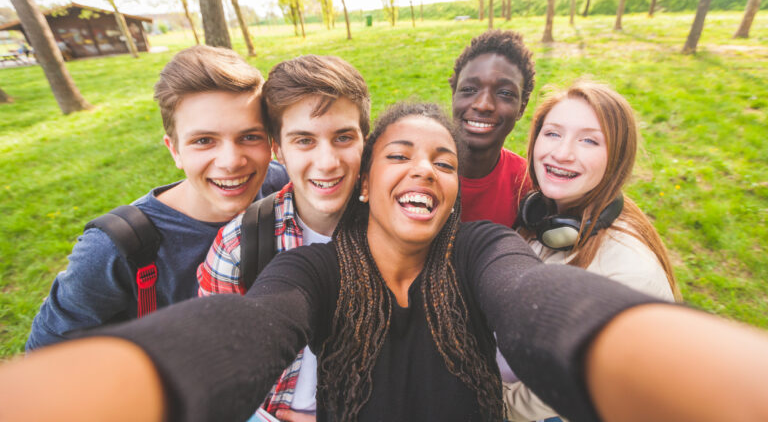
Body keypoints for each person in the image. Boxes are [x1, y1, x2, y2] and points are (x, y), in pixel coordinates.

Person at [4, 103, 768, 422]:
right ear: (366, 182)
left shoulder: (479, 250)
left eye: (441, 161)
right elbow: (243, 329)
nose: (423, 171)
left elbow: (545, 304)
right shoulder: (314, 272)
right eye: (399, 154)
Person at [25, 45, 288, 351]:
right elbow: (46, 354)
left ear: (270, 143)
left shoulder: (280, 185)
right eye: (204, 141)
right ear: (174, 150)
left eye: (249, 137)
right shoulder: (114, 249)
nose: (231, 161)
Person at [197, 55, 369, 421]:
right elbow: (213, 381)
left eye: (343, 137)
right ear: (278, 149)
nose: (327, 162)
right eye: (304, 140)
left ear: (364, 140)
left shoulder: (397, 232)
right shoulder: (239, 247)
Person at [502, 82, 681, 421]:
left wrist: (473, 392)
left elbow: (543, 404)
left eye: (589, 140)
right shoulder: (543, 220)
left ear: (616, 159)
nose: (562, 153)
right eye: (553, 134)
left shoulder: (629, 275)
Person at [449, 30, 535, 226]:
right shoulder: (418, 169)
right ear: (454, 95)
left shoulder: (525, 183)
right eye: (469, 89)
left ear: (522, 107)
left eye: (505, 93)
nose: (483, 104)